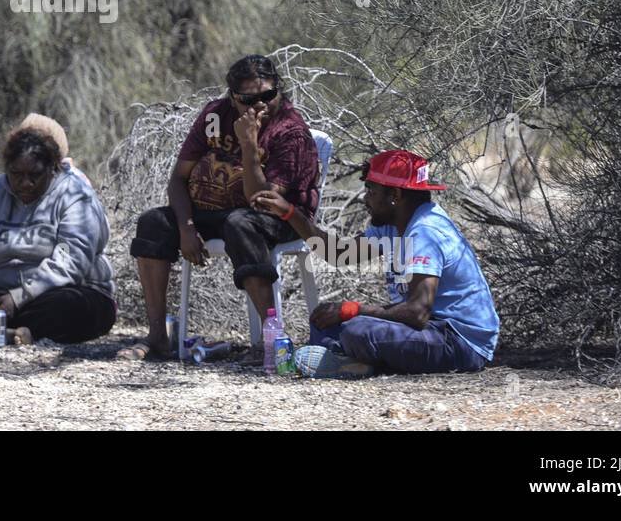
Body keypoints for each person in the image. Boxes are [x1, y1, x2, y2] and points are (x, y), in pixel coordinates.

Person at [121, 54, 321, 360]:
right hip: (212, 210)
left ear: (278, 89)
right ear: (232, 97)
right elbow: (178, 179)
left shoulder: (290, 131)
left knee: (241, 223)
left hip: (280, 216)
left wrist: (250, 147)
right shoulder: (215, 115)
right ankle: (158, 338)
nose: (259, 105)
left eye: (267, 95)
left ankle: (271, 341)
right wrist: (187, 228)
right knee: (153, 223)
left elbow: (262, 201)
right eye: (248, 99)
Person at [252, 149, 499, 378]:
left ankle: (357, 362)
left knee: (359, 331)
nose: (366, 198)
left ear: (396, 195)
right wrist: (290, 214)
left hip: (459, 342)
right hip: (427, 332)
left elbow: (417, 313)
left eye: (371, 190)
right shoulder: (391, 226)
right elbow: (338, 254)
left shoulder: (425, 232)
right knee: (324, 320)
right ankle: (355, 360)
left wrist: (353, 309)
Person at [0, 116, 116, 345]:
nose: (25, 183)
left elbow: (71, 262)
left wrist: (19, 298)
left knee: (74, 306)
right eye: (17, 175)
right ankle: (12, 331)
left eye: (34, 175)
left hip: (55, 292)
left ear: (53, 167)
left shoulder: (76, 197)